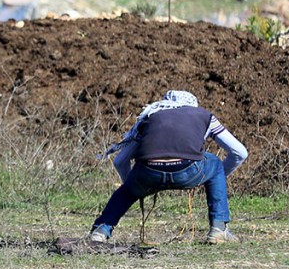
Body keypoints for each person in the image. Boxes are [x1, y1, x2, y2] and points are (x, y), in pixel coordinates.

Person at [88, 90, 248, 245]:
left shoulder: (150, 117)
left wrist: (133, 186)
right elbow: (239, 152)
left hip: (148, 171)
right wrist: (211, 180)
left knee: (125, 192)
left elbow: (120, 161)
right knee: (215, 164)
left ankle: (100, 232)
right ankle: (219, 229)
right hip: (189, 171)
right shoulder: (204, 116)